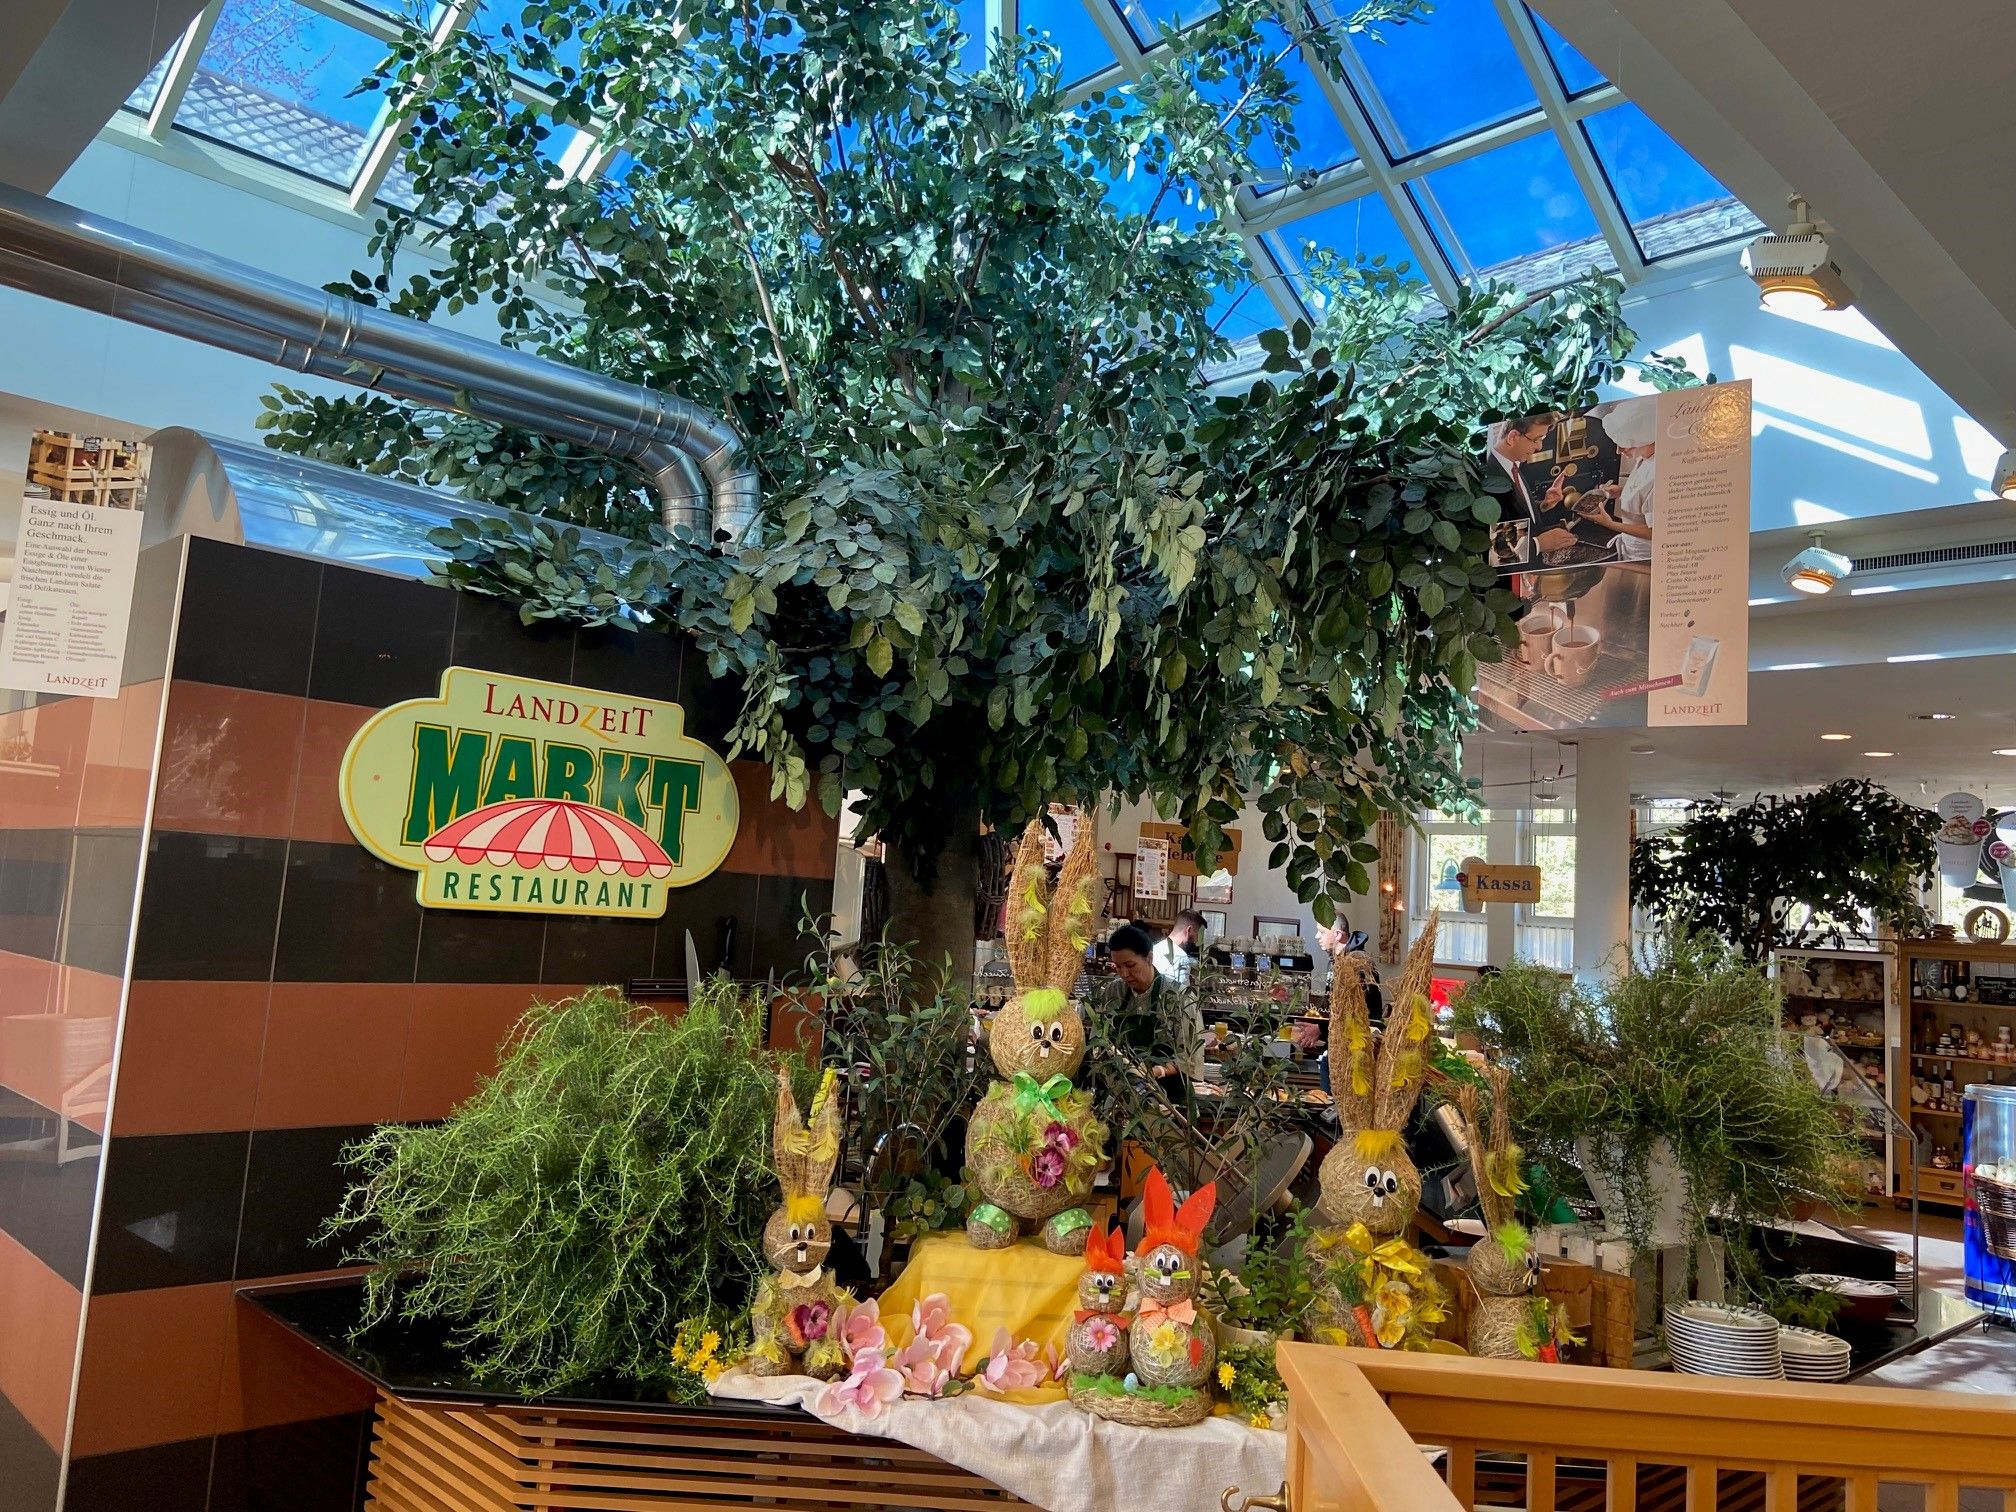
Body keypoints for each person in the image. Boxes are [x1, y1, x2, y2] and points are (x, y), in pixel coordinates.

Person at [1100, 923, 1204, 1089]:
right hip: (1123, 1092)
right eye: (1118, 967)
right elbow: (1100, 1042)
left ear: (1149, 958)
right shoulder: (1114, 991)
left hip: (1169, 1099)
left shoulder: (1179, 997)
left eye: (1130, 965)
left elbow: (1190, 1057)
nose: (1124, 974)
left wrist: (1158, 1070)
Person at [1486, 415, 1581, 557]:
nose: (1539, 447)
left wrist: (1543, 505)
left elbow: (1515, 513)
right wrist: (1538, 544)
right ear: (1512, 437)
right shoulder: (1489, 476)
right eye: (1536, 439)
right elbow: (1493, 547)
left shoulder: (1513, 465)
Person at [1586, 400, 1657, 564]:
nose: (1618, 450)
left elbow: (1656, 532)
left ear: (1644, 438)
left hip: (1644, 557)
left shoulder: (1659, 472)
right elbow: (1645, 496)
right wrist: (1622, 491)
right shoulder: (1646, 457)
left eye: (1626, 444)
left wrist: (1610, 524)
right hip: (1629, 548)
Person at [1152, 909, 1205, 984]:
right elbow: (1182, 994)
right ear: (1188, 930)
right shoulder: (1181, 957)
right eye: (1196, 935)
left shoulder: (1155, 949)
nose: (1196, 941)